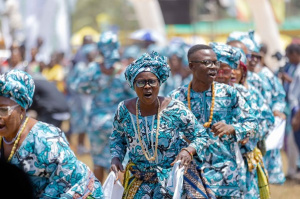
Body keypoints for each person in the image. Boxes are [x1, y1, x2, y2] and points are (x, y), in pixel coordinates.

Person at [110, 51, 214, 198]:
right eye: (141, 82)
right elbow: (117, 139)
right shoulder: (124, 109)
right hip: (140, 181)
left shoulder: (174, 108)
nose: (147, 86)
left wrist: (188, 151)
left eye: (152, 81)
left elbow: (201, 135)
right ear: (133, 85)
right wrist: (116, 157)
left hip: (174, 180)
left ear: (159, 84)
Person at [169, 44, 258, 198]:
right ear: (191, 66)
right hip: (191, 172)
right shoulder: (176, 98)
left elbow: (253, 125)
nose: (213, 67)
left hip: (224, 173)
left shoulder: (229, 93)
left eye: (215, 63)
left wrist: (233, 128)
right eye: (206, 63)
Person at [0, 70, 103, 198]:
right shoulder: (4, 138)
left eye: (3, 110)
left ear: (21, 110)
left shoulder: (46, 139)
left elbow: (69, 178)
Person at [211, 42, 273, 198]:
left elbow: (264, 122)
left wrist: (242, 132)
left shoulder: (245, 94)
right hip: (210, 168)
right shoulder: (197, 94)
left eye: (228, 70)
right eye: (218, 70)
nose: (224, 75)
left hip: (243, 164)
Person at [73, 31, 135, 182]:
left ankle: (98, 194)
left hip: (96, 121)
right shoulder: (123, 70)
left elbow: (77, 86)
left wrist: (94, 89)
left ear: (100, 48)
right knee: (119, 160)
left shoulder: (94, 69)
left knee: (98, 162)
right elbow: (134, 93)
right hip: (118, 122)